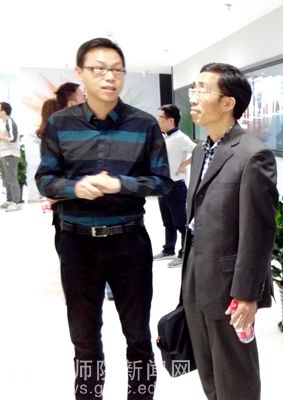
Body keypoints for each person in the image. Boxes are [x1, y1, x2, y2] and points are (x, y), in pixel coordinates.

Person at [35, 37, 173, 400]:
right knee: (84, 339)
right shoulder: (60, 124)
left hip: (129, 242)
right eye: (98, 69)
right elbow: (44, 179)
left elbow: (162, 181)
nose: (109, 77)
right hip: (76, 244)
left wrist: (120, 184)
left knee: (138, 336)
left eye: (116, 70)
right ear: (80, 72)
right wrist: (75, 188)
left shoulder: (144, 124)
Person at [182, 62, 277, 400]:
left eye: (203, 89)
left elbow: (258, 233)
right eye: (194, 88)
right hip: (195, 272)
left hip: (230, 285)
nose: (194, 97)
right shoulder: (200, 150)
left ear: (227, 103)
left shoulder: (253, 155)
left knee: (235, 374)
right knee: (208, 369)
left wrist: (248, 295)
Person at [153, 104, 196, 267]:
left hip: (176, 186)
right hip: (162, 185)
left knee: (180, 222)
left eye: (160, 117)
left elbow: (199, 150)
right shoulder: (164, 137)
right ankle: (168, 249)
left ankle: (184, 253)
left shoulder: (181, 138)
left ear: (171, 120)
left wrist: (184, 164)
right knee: (168, 222)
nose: (158, 120)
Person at [0, 102, 21, 212]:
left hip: (10, 154)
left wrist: (1, 137)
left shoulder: (10, 122)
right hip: (4, 153)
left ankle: (16, 202)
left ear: (4, 111)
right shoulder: (3, 123)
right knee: (6, 178)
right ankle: (9, 200)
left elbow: (13, 138)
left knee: (11, 178)